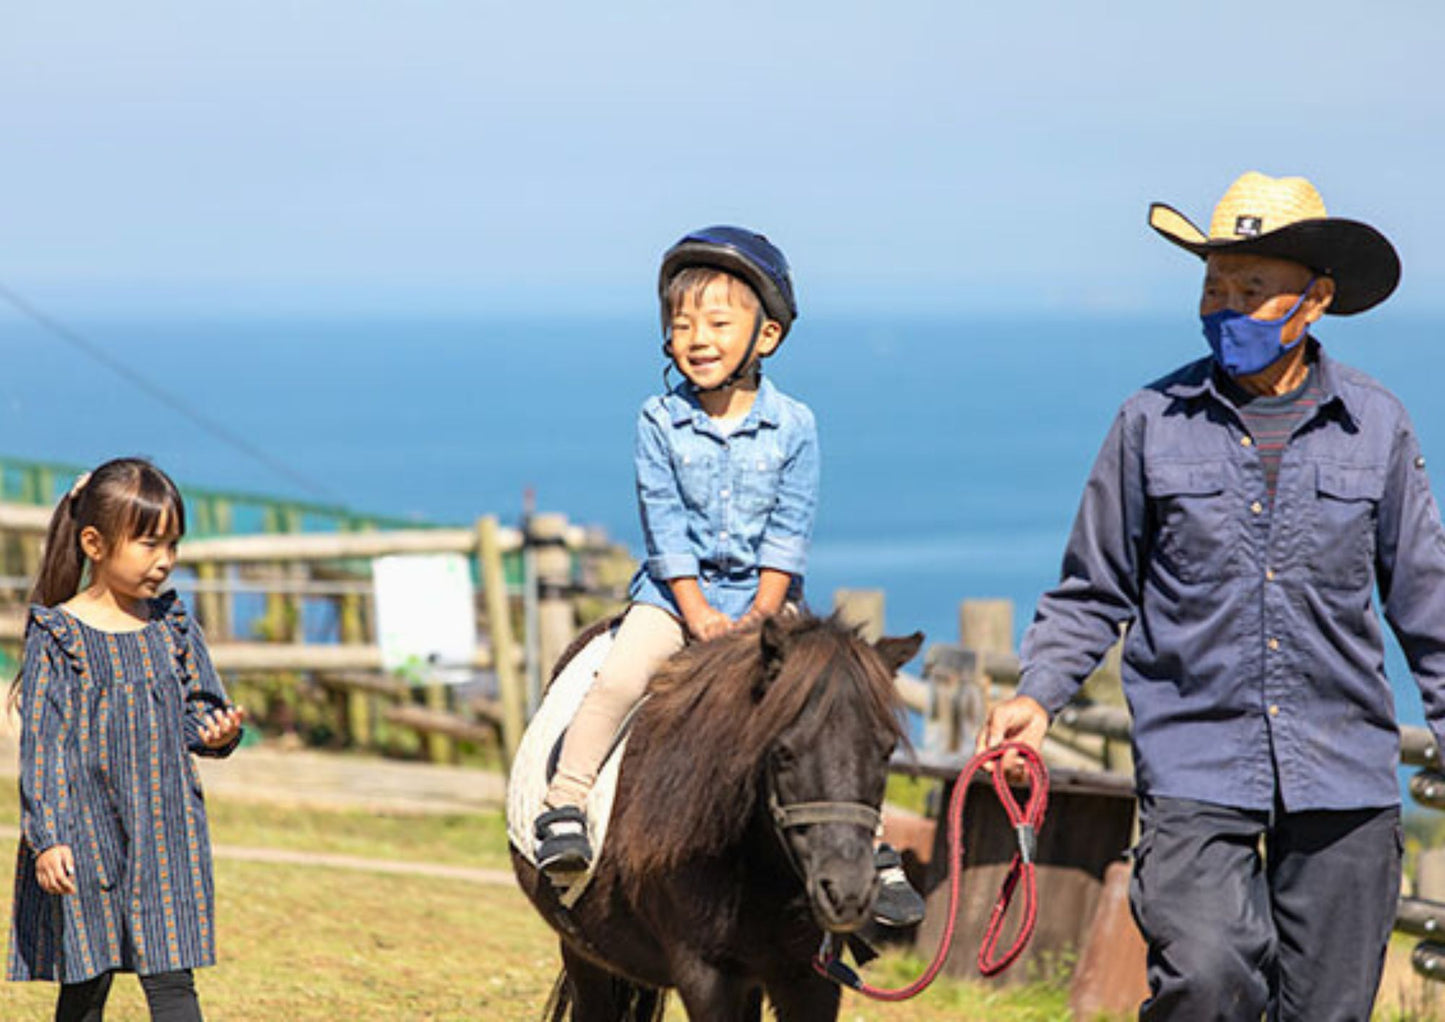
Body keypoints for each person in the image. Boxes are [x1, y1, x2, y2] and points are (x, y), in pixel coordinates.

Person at [979, 171, 1445, 1020]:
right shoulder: (1148, 422)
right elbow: (1092, 586)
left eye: (1251, 290)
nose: (1225, 307)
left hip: (1341, 771)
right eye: (1213, 288)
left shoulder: (1377, 425)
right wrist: (1036, 696)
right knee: (1205, 976)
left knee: (1328, 1010)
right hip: (1194, 763)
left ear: (1314, 301)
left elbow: (1426, 604)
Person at [534, 226, 924, 927]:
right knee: (618, 681)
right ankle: (565, 803)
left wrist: (763, 614)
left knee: (836, 709)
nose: (697, 337)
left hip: (770, 603)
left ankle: (870, 843)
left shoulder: (794, 425)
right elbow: (663, 525)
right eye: (681, 324)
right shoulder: (658, 420)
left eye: (718, 322)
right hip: (671, 596)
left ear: (765, 336)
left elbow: (789, 529)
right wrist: (693, 610)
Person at [7, 458, 246, 1021]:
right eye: (148, 545)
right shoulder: (57, 635)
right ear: (93, 542)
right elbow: (44, 747)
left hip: (165, 835)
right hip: (83, 837)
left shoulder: (173, 624)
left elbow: (195, 714)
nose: (164, 562)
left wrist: (216, 733)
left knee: (172, 981)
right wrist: (48, 838)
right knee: (87, 981)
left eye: (172, 545)